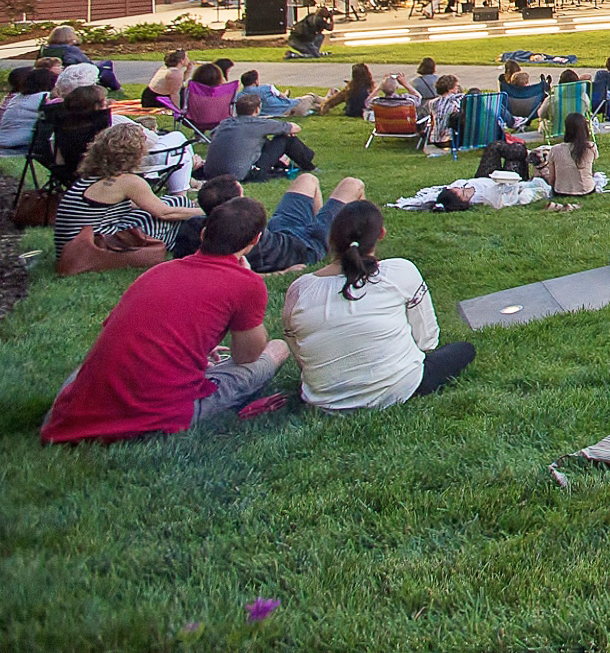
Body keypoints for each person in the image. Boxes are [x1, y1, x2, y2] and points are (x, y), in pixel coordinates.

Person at [41, 196, 290, 443]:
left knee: (87, 369)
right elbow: (247, 355)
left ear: (203, 234)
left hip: (75, 413)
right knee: (277, 348)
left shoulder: (156, 272)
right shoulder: (247, 283)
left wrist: (196, 347)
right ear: (255, 240)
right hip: (160, 414)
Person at [282, 199, 474, 411]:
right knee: (464, 350)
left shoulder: (300, 289)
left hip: (322, 399)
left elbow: (297, 347)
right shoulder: (399, 271)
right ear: (381, 234)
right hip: (397, 387)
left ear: (332, 239)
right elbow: (427, 341)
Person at [52, 124, 202, 273]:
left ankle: (188, 234)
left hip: (71, 244)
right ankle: (192, 241)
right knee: (175, 212)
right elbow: (164, 213)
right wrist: (203, 211)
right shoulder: (128, 181)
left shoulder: (92, 177)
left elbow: (134, 206)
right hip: (95, 243)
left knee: (174, 203)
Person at [170, 171, 370, 274]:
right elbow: (224, 275)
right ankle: (361, 242)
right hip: (305, 248)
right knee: (353, 184)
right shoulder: (240, 236)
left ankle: (322, 226)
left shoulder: (195, 226)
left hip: (280, 232)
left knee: (308, 179)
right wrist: (283, 273)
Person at [200, 92, 317, 183]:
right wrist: (283, 131)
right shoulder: (258, 124)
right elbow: (295, 128)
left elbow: (213, 134)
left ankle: (288, 163)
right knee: (286, 139)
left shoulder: (225, 123)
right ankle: (309, 165)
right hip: (245, 173)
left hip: (211, 172)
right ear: (257, 109)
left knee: (261, 140)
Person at [536, 110, 599, 206]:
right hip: (586, 190)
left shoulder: (555, 150)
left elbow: (552, 178)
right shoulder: (590, 147)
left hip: (560, 191)